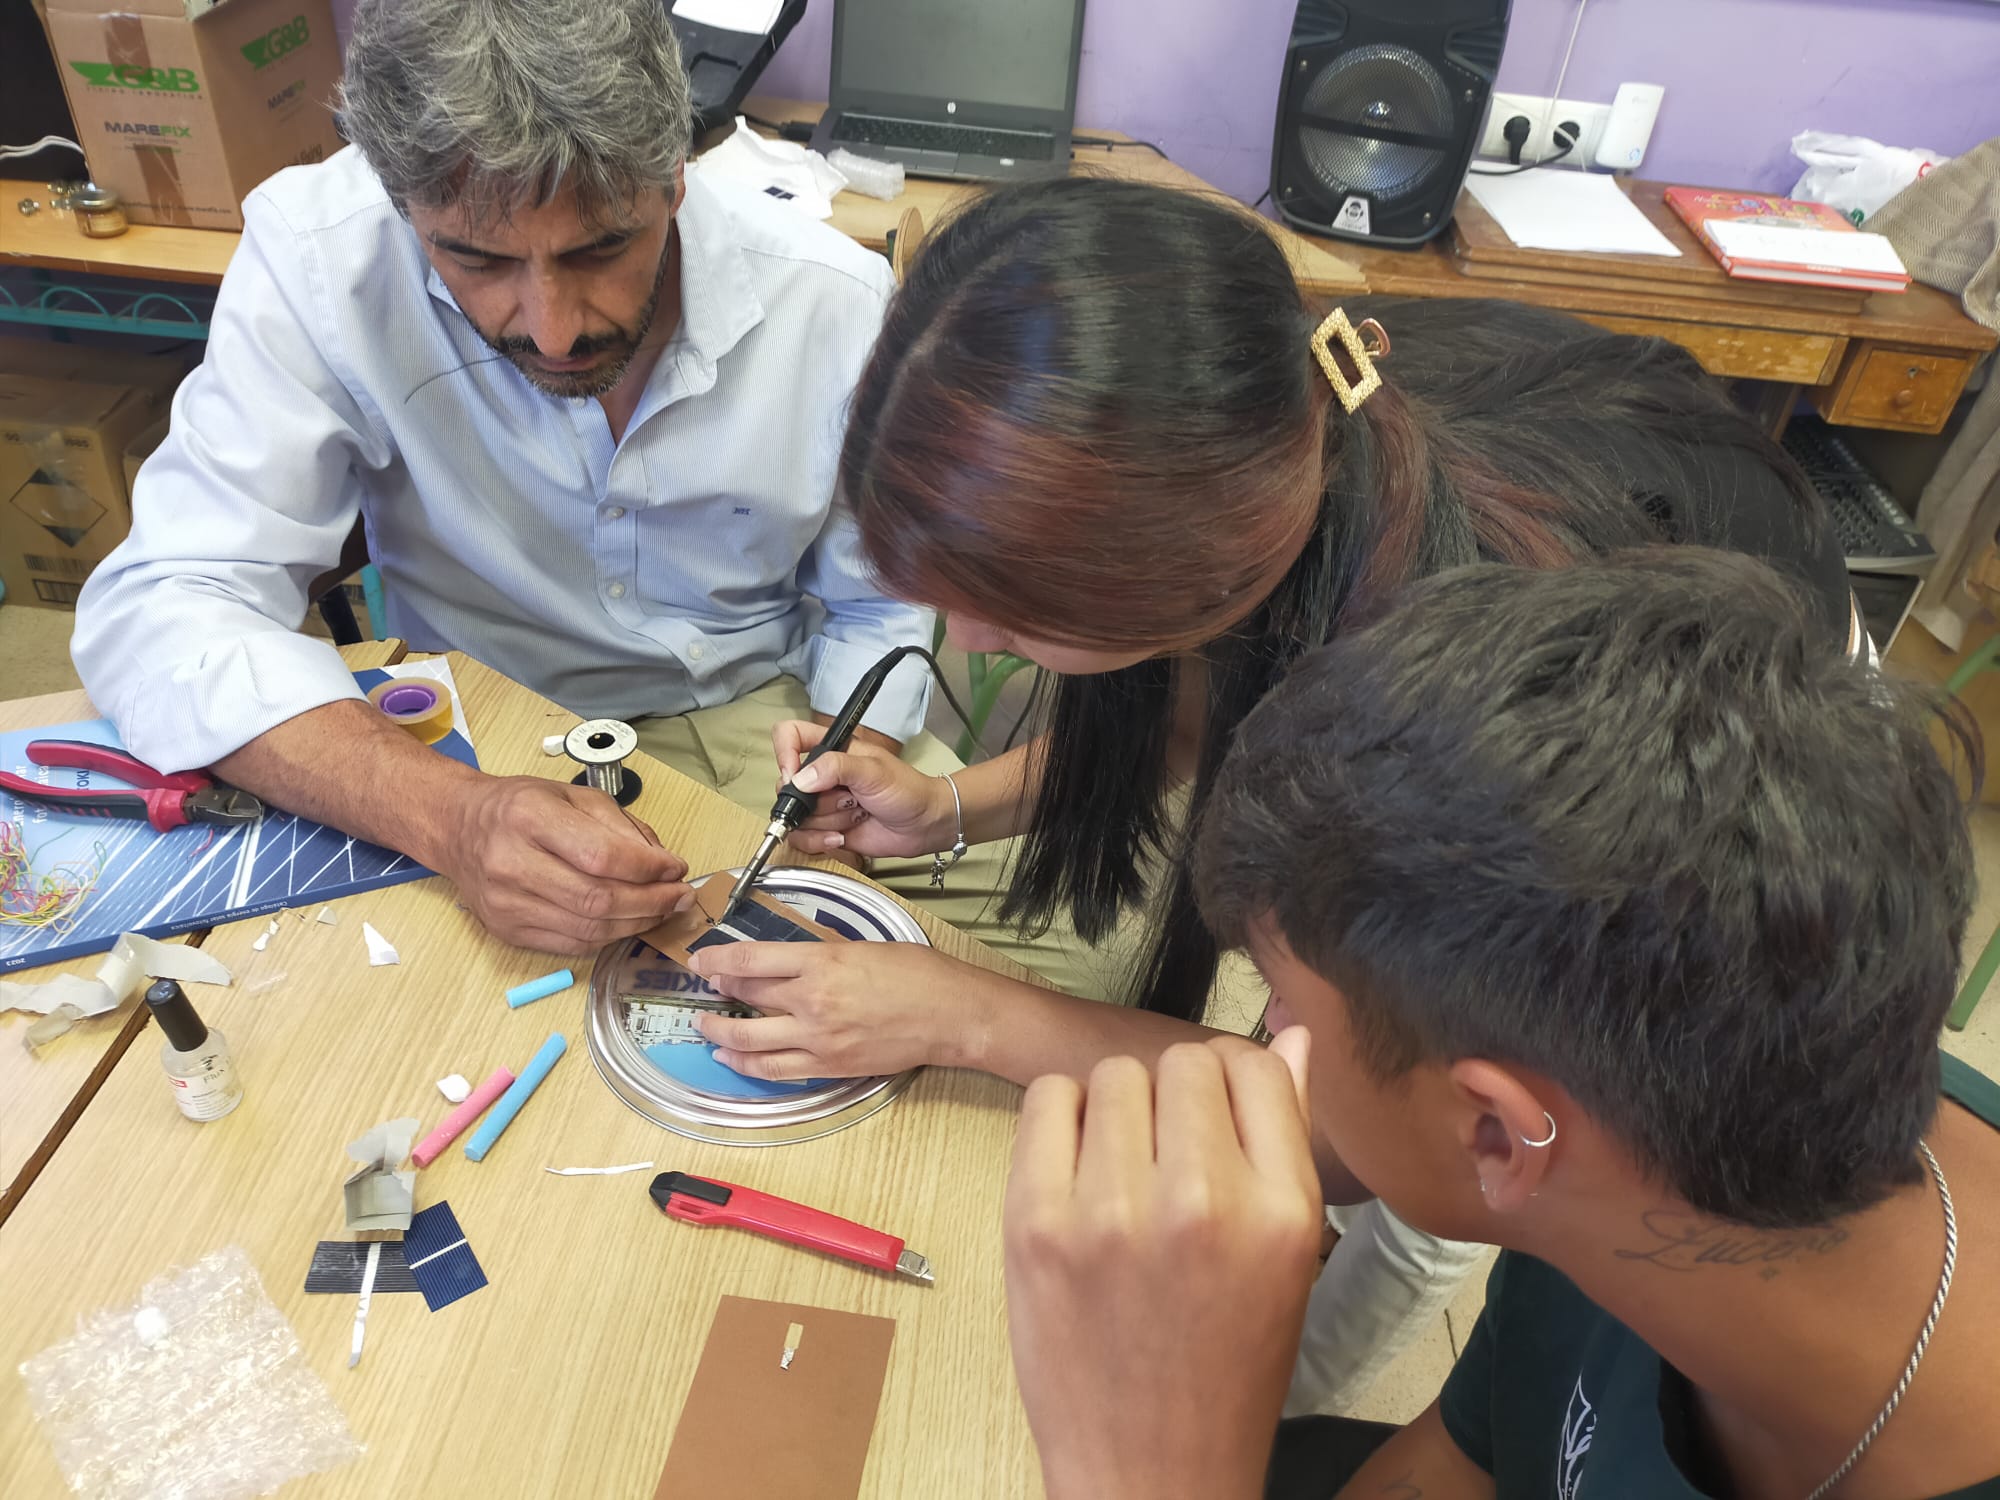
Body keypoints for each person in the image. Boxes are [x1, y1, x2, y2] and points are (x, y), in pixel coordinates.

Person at [681, 176, 1857, 1411]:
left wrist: (958, 1017)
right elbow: (1194, 685)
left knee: (1367, 1257)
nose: (965, 643)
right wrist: (952, 808)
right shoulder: (1270, 424)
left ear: (1179, 577)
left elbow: (1337, 1129)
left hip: (1698, 723)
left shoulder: (1447, 734)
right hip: (1602, 543)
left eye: (1015, 612)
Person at [1001, 549, 2000, 1500]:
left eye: (1284, 1004)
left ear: (1493, 1130)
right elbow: (1464, 1466)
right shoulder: (1641, 1117)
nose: (1268, 1039)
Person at [68, 0, 935, 956]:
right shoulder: (320, 256)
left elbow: (878, 603)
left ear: (676, 177)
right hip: (481, 726)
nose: (555, 330)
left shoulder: (833, 303)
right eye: (474, 259)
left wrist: (848, 774)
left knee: (1014, 961)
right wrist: (451, 815)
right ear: (403, 209)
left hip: (765, 716)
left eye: (601, 247)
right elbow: (164, 604)